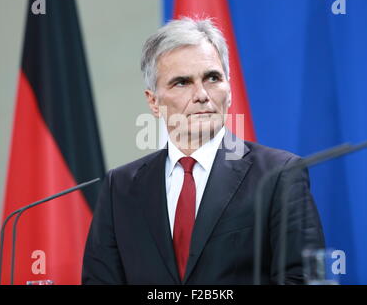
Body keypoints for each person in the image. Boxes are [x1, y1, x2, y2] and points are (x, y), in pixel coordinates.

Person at [82, 18, 325, 285]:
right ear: (153, 101)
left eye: (212, 78)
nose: (201, 95)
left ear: (229, 89)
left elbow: (302, 279)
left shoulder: (279, 175)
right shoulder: (120, 187)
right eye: (182, 82)